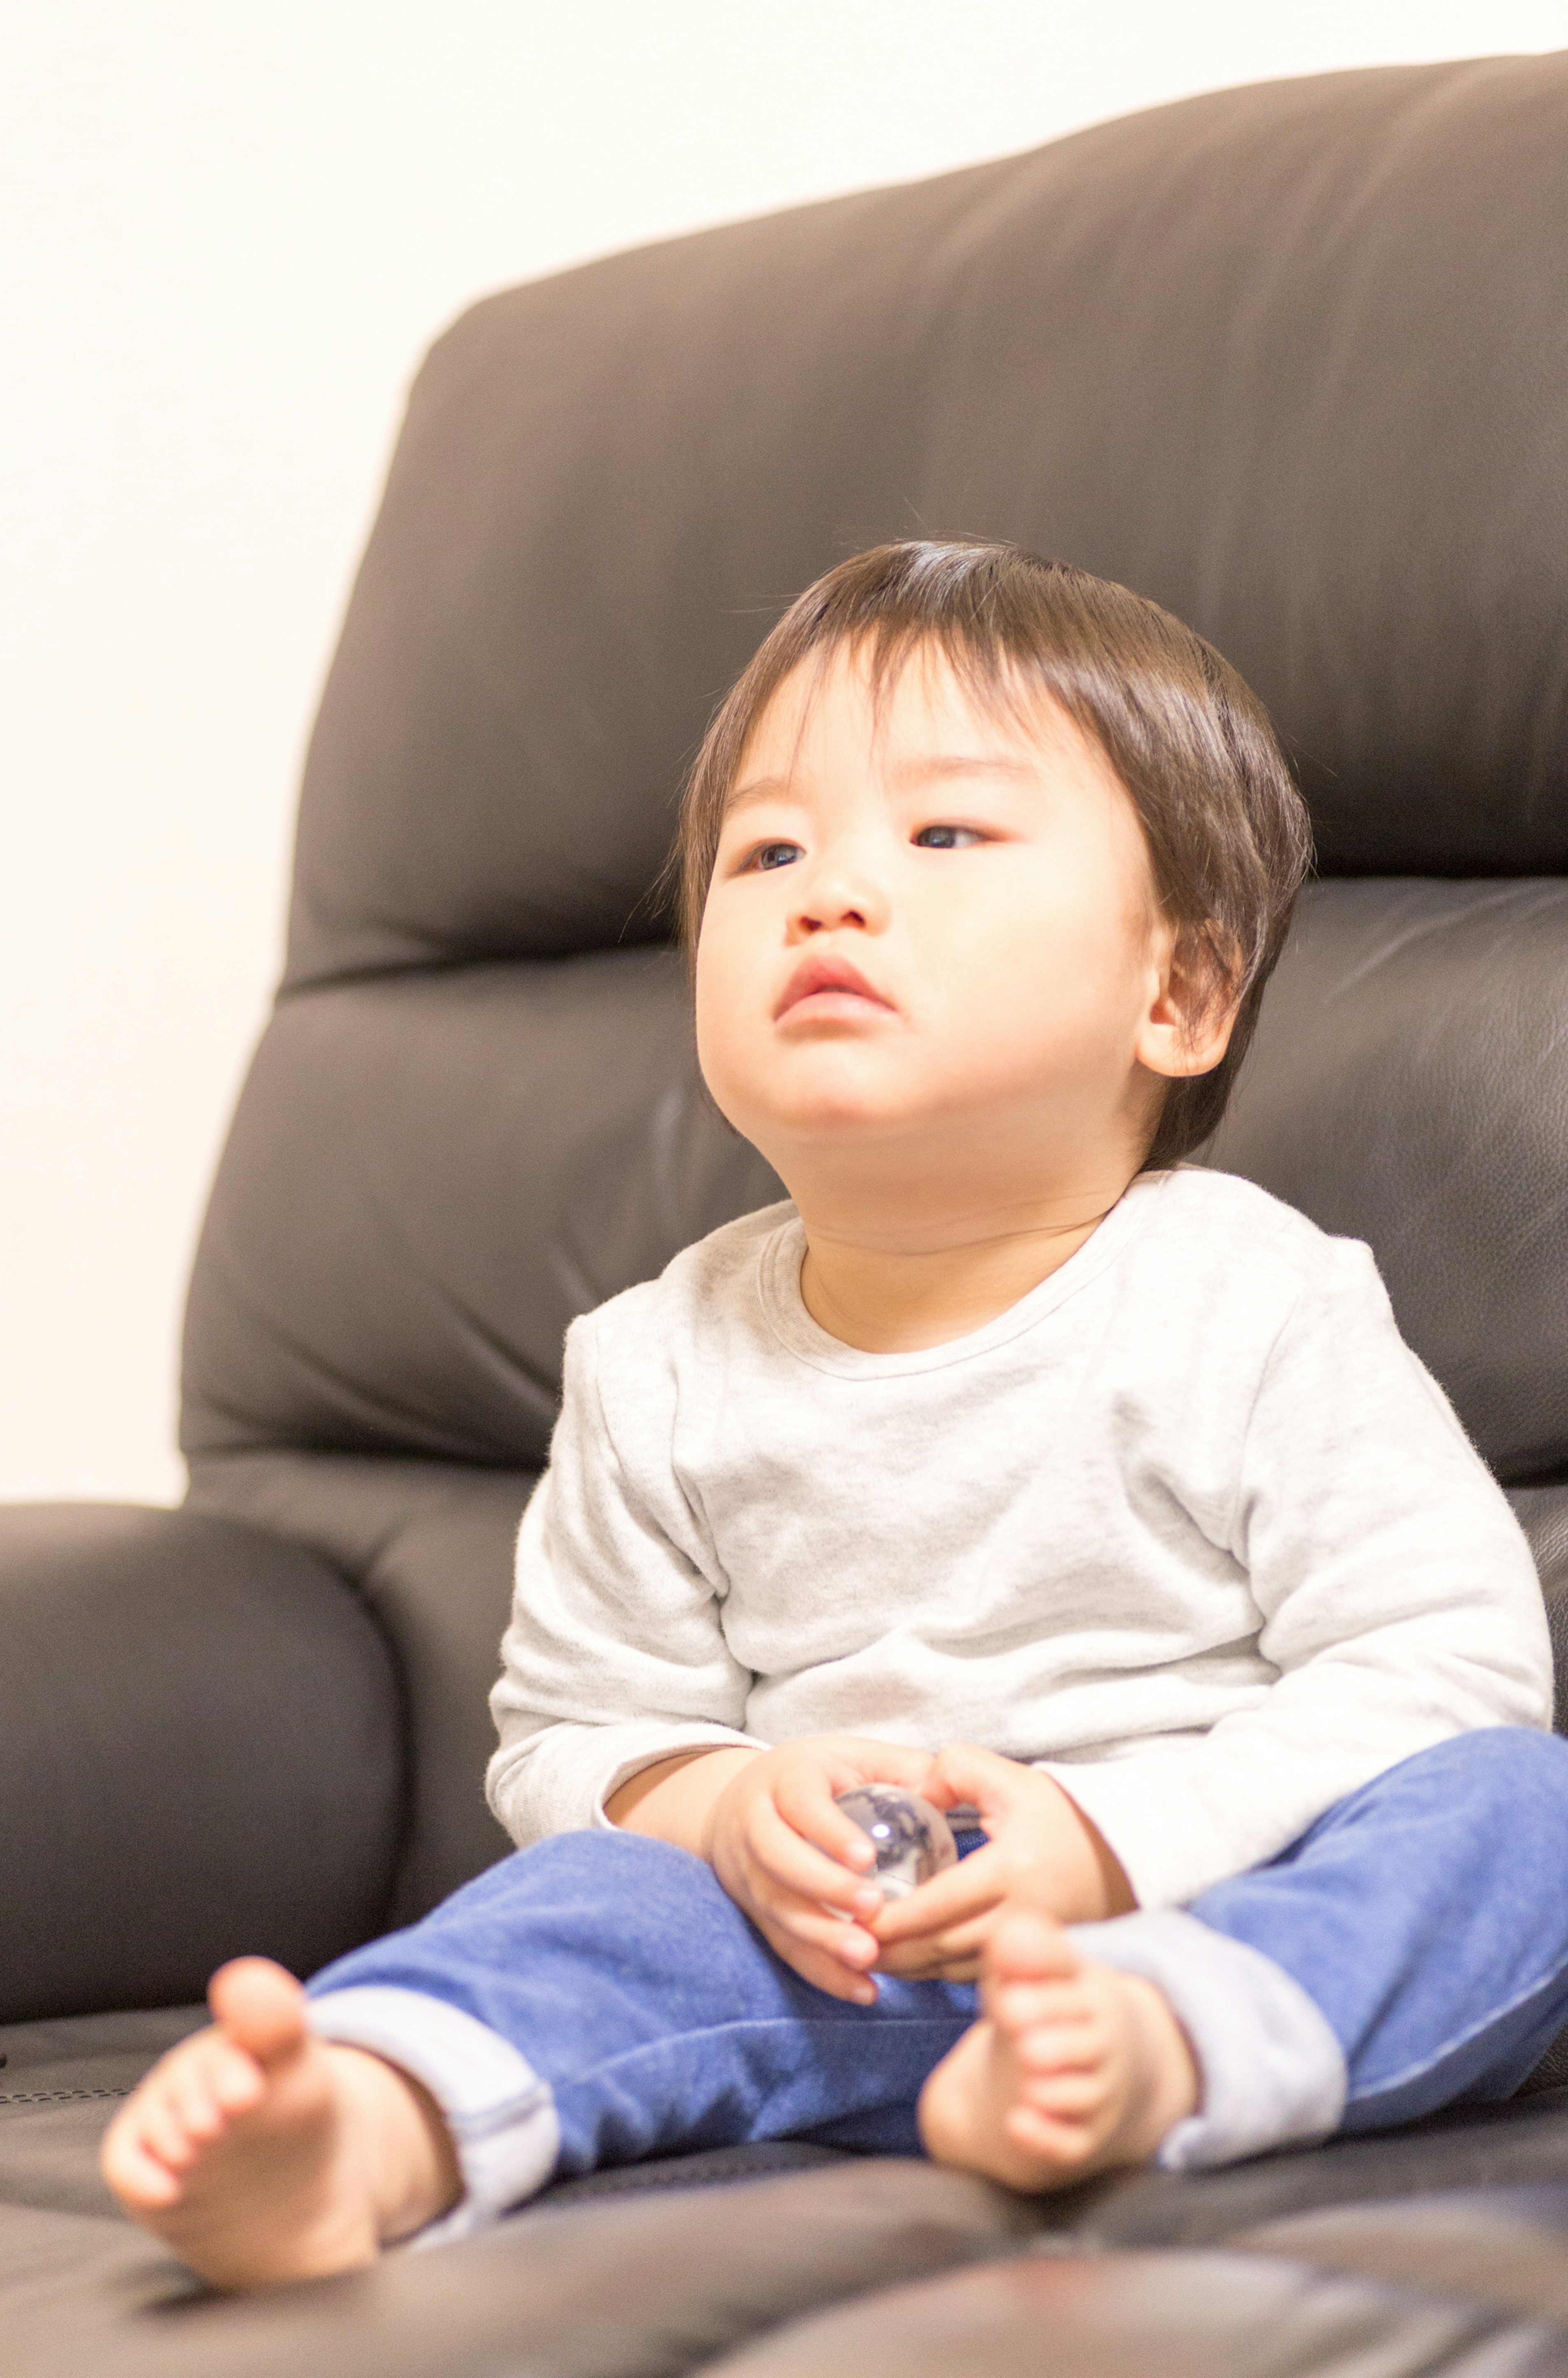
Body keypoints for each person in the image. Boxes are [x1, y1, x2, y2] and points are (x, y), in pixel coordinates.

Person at [102, 541, 1568, 2290]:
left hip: (1211, 1923)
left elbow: (1449, 1666)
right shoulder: (654, 1360)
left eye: (943, 838)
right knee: (597, 1904)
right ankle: (362, 2119)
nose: (829, 895)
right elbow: (571, 1735)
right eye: (770, 851)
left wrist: (1105, 1856)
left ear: (1178, 993)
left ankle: (1151, 2061)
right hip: (831, 1959)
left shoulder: (1253, 1302)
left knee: (1516, 1811)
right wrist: (719, 1810)